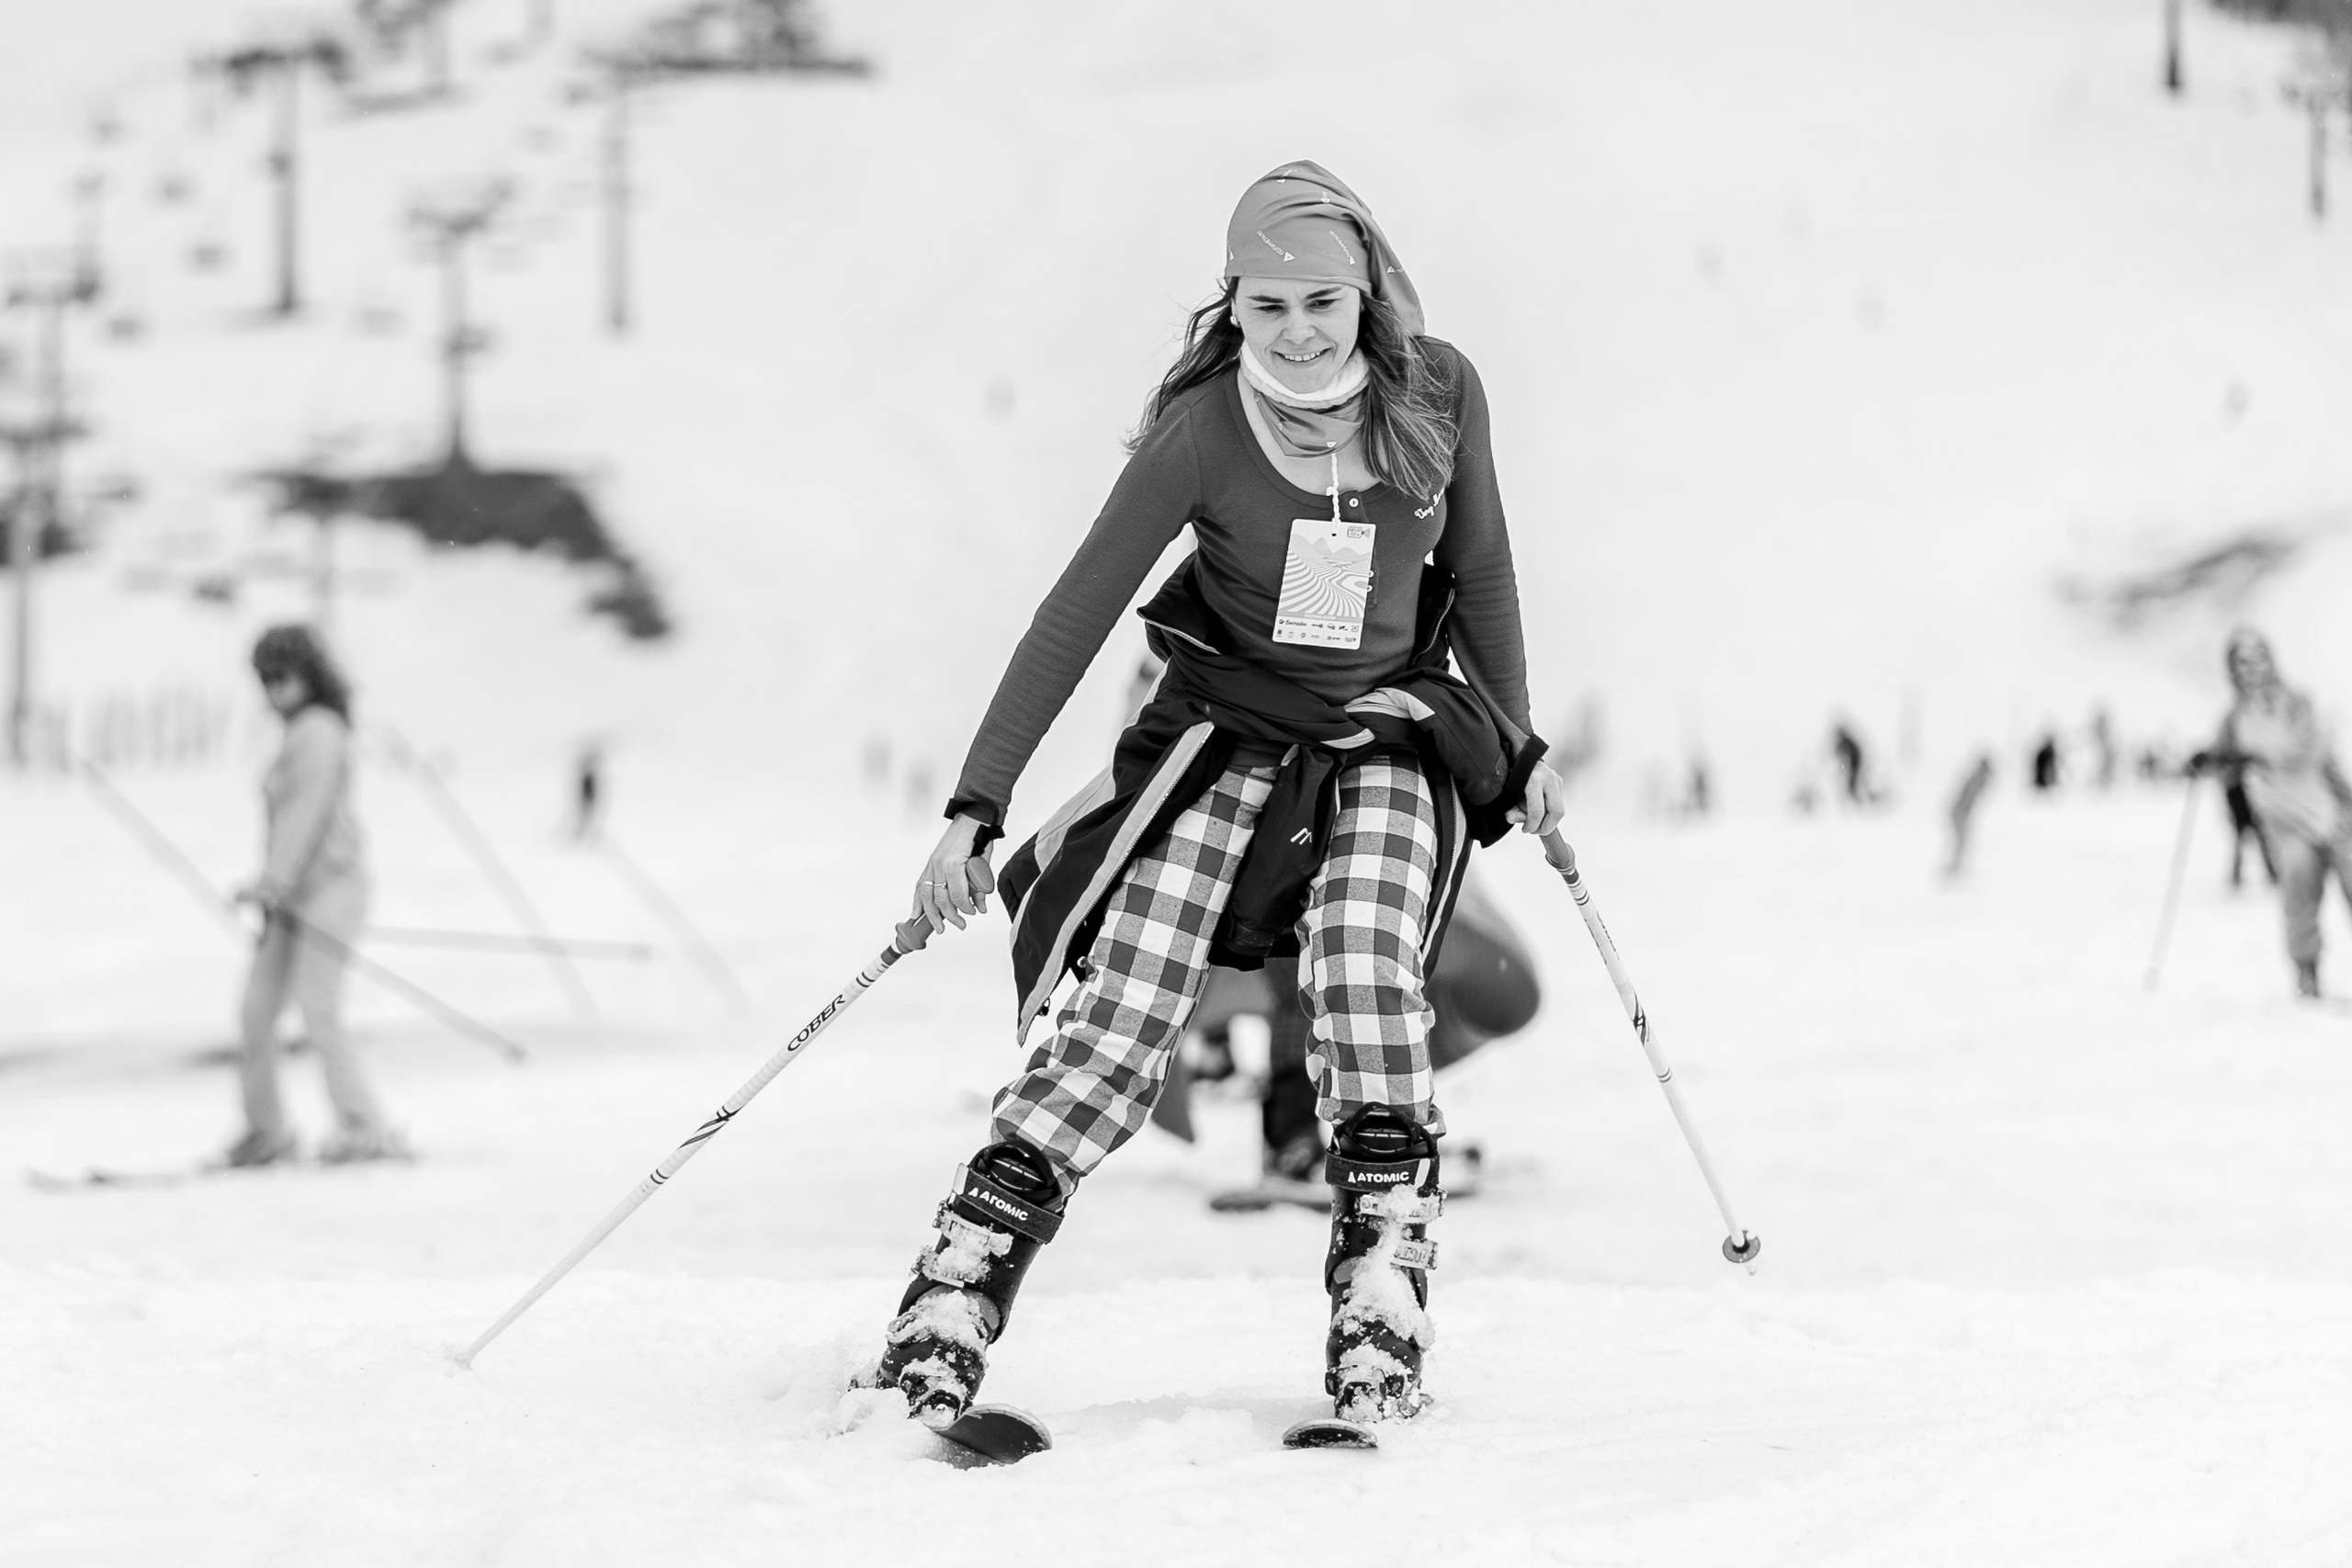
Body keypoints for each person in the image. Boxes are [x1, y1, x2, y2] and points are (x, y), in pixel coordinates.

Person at [857, 162, 1562, 1434]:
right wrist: (976, 802)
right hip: (1230, 734)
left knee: (1361, 966)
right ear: (1231, 304)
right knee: (1124, 1005)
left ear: (1367, 290)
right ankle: (951, 1297)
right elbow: (1072, 613)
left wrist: (1516, 744)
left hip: (1389, 731)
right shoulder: (1205, 430)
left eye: (1323, 301)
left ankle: (1380, 1308)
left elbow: (1487, 565)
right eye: (1269, 304)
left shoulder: (1438, 390)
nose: (1299, 331)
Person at [1205, 867, 1541, 1212]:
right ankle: (1295, 1149)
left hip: (1392, 881)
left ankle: (1381, 1140)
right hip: (1308, 876)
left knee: (1372, 1005)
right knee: (1314, 983)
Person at [225, 626, 407, 1167]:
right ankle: (267, 1130)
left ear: (309, 675)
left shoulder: (319, 730)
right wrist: (271, 882)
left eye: (282, 676)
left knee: (318, 1009)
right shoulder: (297, 733)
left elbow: (308, 812)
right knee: (256, 1011)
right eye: (265, 679)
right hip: (292, 894)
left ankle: (364, 1127)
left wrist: (274, 880)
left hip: (330, 887)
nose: (273, 689)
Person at [2202, 629, 2352, 999]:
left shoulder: (2298, 703)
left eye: (2258, 659)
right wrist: (2207, 760)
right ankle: (2307, 974)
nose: (2251, 669)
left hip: (2325, 809)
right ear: (2232, 670)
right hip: (2281, 819)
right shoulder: (2233, 719)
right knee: (2299, 889)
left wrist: (2253, 756)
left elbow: (2307, 749)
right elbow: (2225, 763)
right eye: (2243, 662)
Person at [1943, 750, 1995, 878]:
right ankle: (1955, 868)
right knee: (1961, 840)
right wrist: (1964, 813)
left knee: (1962, 840)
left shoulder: (1975, 777)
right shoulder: (1976, 778)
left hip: (1960, 811)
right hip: (1960, 812)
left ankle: (1957, 866)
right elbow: (1967, 798)